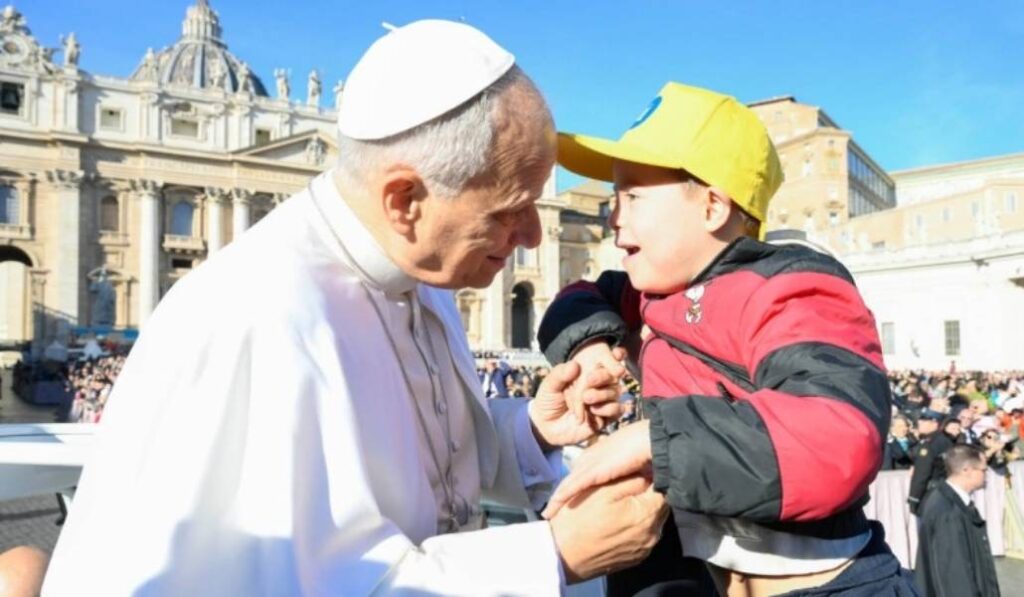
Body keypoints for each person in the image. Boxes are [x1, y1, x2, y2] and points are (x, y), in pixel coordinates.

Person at [42, 21, 667, 596]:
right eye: (509, 209)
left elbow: (414, 463)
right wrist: (553, 554)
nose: (534, 235)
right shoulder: (259, 319)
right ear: (405, 198)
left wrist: (529, 427)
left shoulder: (417, 271)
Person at [538, 82, 916, 595]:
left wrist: (653, 440)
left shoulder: (793, 286)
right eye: (612, 198)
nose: (614, 217)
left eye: (632, 196)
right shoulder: (651, 289)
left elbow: (835, 437)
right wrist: (591, 348)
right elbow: (578, 297)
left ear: (713, 207)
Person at [914, 444, 1000, 597]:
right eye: (983, 470)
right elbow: (955, 575)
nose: (986, 475)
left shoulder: (949, 501)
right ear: (966, 470)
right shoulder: (948, 511)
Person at [909, 410, 958, 515]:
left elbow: (922, 473)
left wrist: (914, 497)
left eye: (924, 421)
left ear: (935, 423)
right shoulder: (946, 441)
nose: (920, 423)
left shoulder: (929, 444)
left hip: (931, 492)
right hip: (947, 490)